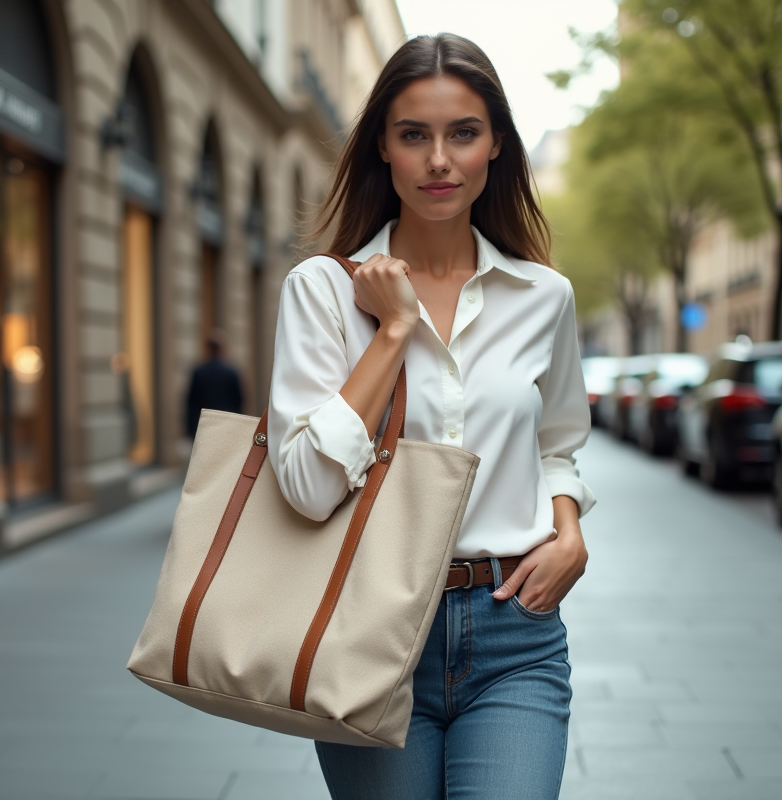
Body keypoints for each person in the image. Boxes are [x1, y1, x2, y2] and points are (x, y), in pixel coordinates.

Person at [267, 34, 594, 799]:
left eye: (463, 133)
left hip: (515, 630)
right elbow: (307, 486)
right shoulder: (322, 292)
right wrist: (392, 332)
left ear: (496, 147)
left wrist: (570, 531)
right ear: (382, 145)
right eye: (414, 134)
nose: (439, 159)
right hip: (365, 627)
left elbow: (558, 444)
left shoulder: (545, 298)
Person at [184, 329, 244, 438]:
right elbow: (239, 401)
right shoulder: (231, 372)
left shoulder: (199, 372)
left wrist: (190, 428)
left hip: (204, 424)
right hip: (227, 424)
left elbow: (191, 402)